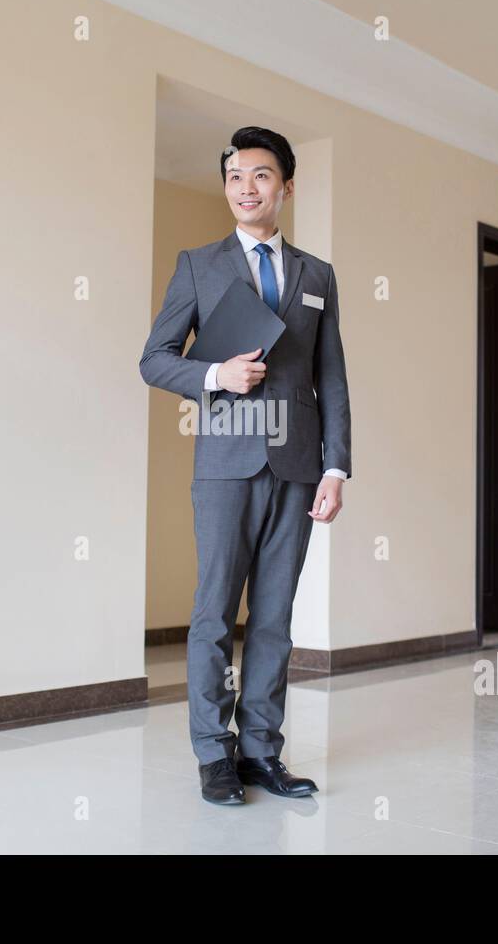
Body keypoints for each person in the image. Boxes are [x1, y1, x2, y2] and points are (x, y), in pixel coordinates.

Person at [139, 126, 353, 805]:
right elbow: (155, 358)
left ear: (285, 186)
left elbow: (332, 377)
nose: (245, 188)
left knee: (273, 616)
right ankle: (214, 754)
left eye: (260, 176)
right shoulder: (199, 266)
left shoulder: (317, 275)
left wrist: (336, 468)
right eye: (235, 177)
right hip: (226, 464)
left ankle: (263, 750)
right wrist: (215, 374)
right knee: (212, 614)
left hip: (297, 464)